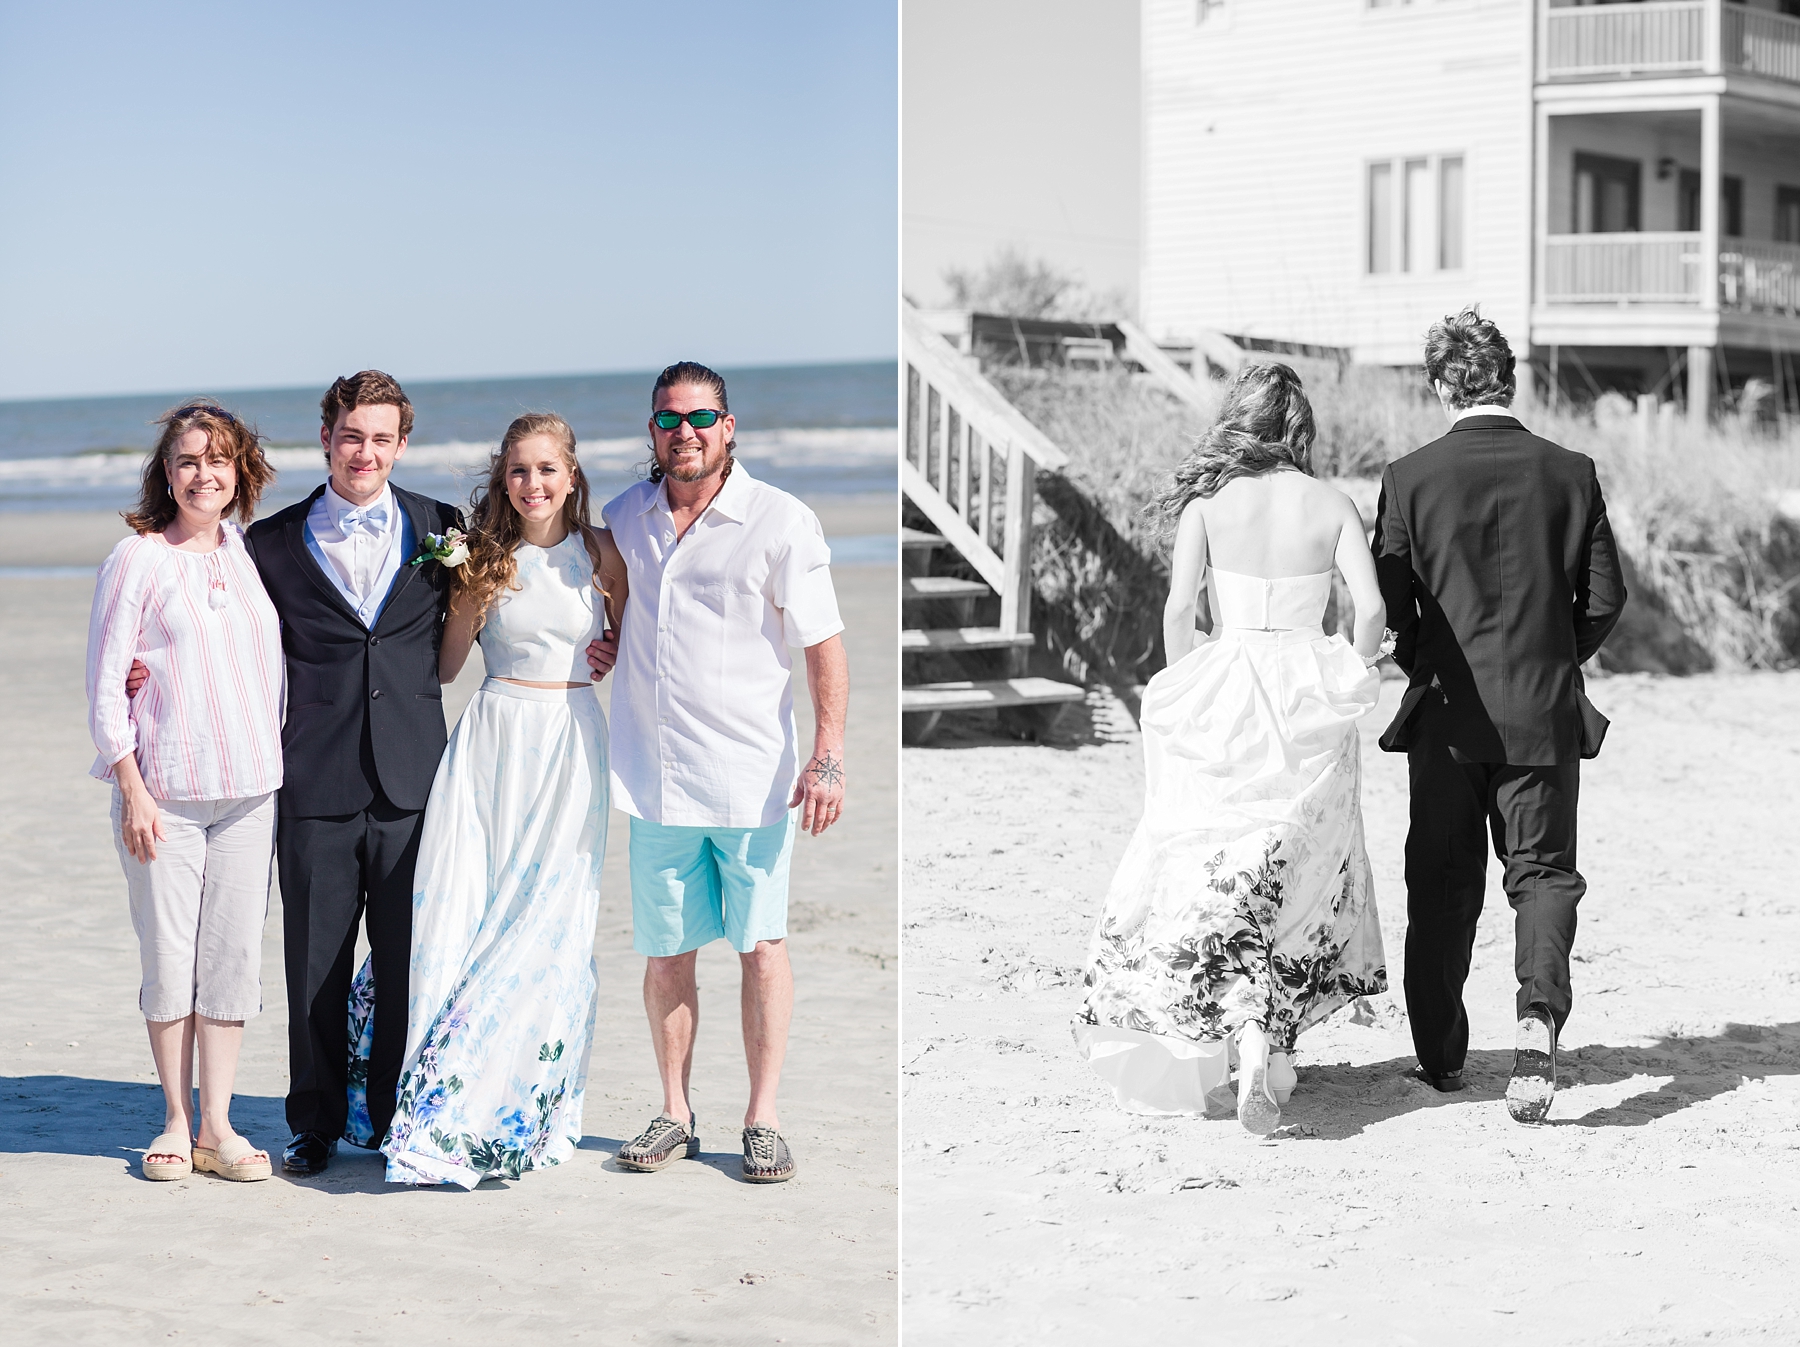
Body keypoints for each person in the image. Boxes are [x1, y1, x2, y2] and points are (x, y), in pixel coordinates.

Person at [1075, 362, 1390, 1137]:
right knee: (1293, 863)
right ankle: (1266, 1045)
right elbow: (1373, 607)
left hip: (1229, 683)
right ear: (1299, 429)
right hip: (1306, 690)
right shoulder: (1333, 503)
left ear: (1241, 421)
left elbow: (1181, 609)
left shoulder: (1210, 503)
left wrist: (1191, 684)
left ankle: (1242, 1042)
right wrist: (1347, 670)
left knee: (1216, 856)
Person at [1373, 308, 1625, 1124]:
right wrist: (1556, 655)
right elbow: (1607, 598)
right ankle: (1538, 1015)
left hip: (1447, 716)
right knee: (1544, 875)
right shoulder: (1572, 471)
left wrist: (1426, 663)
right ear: (1507, 377)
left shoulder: (1409, 478)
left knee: (1442, 885)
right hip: (1544, 712)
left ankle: (1442, 1058)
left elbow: (1394, 605)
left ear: (1443, 383)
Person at [598, 361, 848, 1183]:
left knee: (760, 948)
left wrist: (829, 756)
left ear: (729, 425)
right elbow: (617, 604)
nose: (686, 433)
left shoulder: (781, 520)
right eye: (669, 420)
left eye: (701, 418)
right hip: (654, 776)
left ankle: (763, 1117)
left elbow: (822, 646)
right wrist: (605, 639)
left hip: (752, 779)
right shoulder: (625, 515)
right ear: (652, 431)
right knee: (667, 953)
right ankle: (675, 1111)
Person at [379, 414, 628, 1187]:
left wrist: (614, 645)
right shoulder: (486, 559)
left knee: (551, 919)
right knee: (467, 912)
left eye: (547, 469)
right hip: (492, 743)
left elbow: (632, 634)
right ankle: (442, 1103)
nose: (533, 484)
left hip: (572, 741)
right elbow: (449, 667)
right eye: (519, 471)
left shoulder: (602, 552)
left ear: (573, 475)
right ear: (503, 479)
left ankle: (530, 1105)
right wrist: (460, 591)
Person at [87, 400, 283, 1182]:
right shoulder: (136, 557)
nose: (206, 473)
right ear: (166, 473)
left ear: (242, 472)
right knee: (170, 959)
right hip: (164, 791)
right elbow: (106, 685)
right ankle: (172, 1119)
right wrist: (130, 784)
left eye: (220, 459)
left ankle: (218, 1125)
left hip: (250, 790)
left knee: (232, 958)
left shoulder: (242, 548)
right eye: (190, 459)